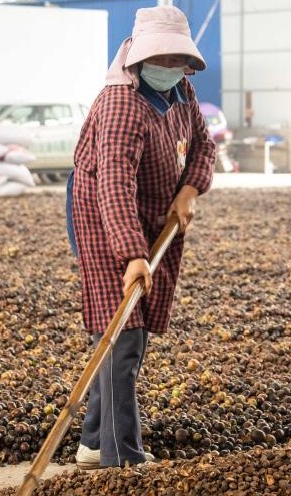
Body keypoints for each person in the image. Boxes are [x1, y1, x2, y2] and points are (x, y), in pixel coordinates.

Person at [66, 6, 216, 469]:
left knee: (129, 327)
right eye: (163, 60)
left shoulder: (180, 91)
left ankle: (93, 441)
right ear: (137, 57)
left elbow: (205, 146)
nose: (171, 69)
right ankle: (121, 456)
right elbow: (113, 186)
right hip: (101, 213)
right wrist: (132, 255)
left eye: (178, 61)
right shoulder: (120, 107)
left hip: (153, 208)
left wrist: (189, 188)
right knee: (122, 331)